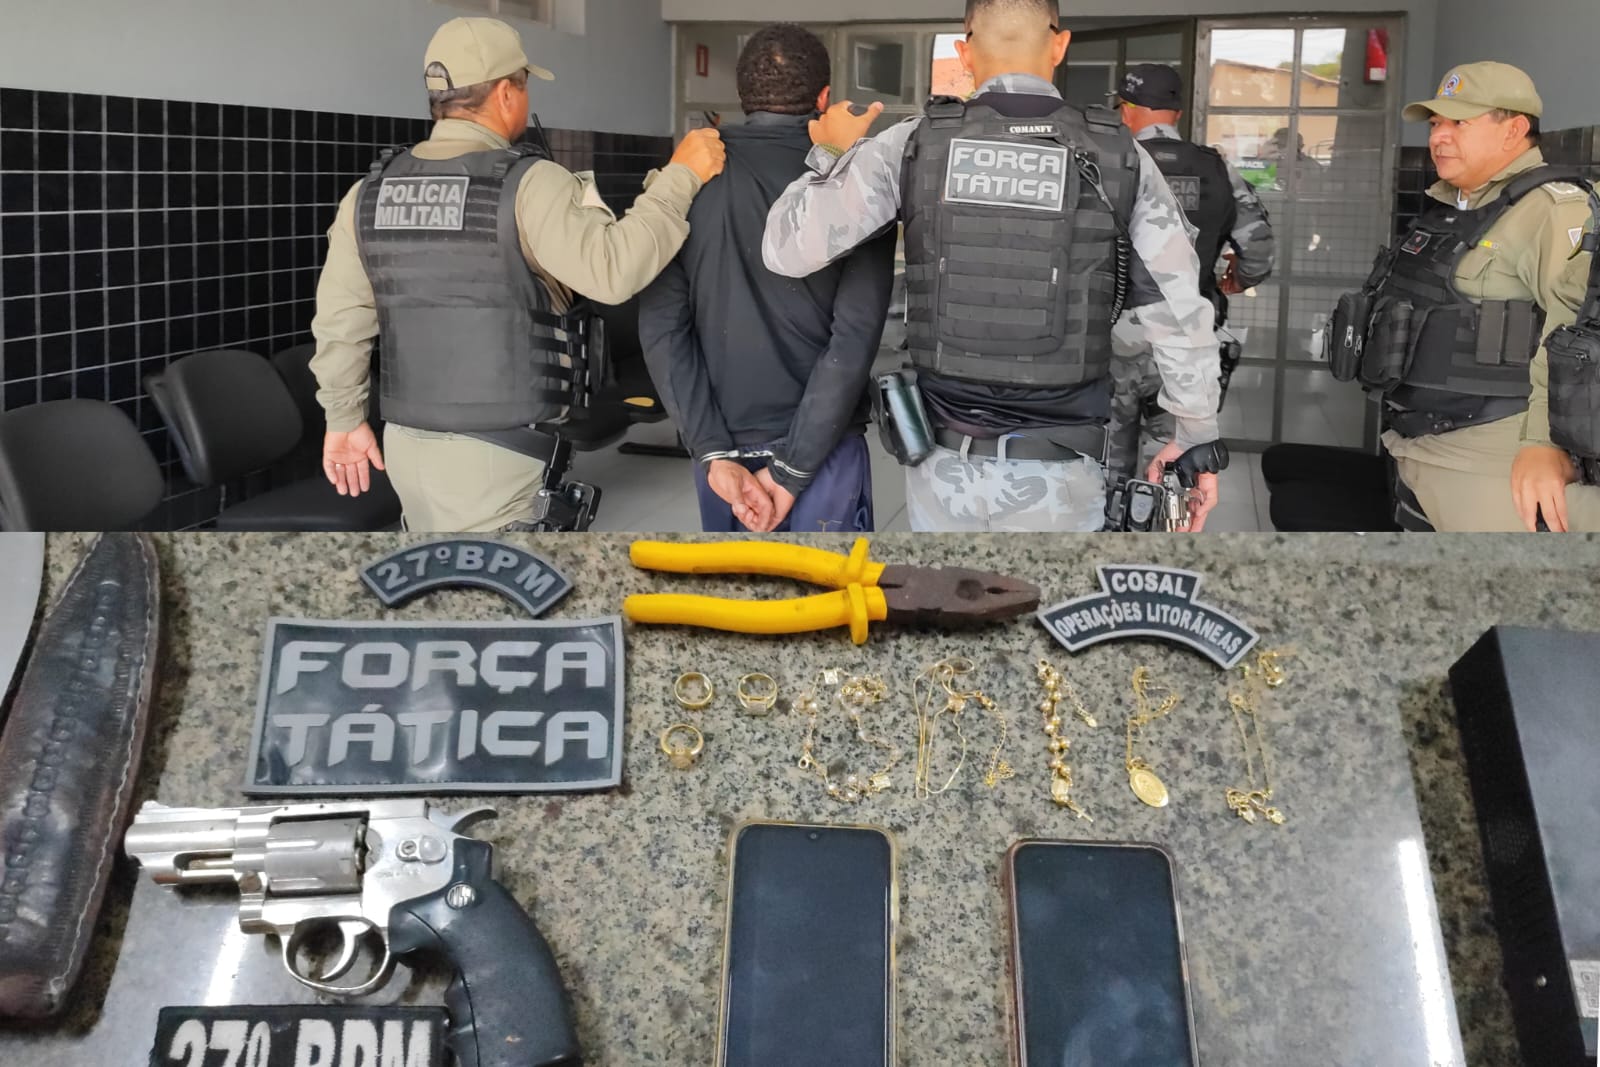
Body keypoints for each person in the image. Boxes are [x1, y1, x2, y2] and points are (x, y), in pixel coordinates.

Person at [763, 0, 1225, 533]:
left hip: (941, 471)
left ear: (964, 53)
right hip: (1062, 473)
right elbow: (1179, 311)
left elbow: (785, 249)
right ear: (1060, 45)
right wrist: (1195, 434)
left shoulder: (910, 143)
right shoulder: (1121, 153)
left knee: (948, 587)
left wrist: (827, 151)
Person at [309, 17, 725, 532]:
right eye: (524, 86)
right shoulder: (529, 184)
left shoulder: (368, 194)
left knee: (434, 571)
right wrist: (681, 176)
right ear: (507, 93)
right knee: (498, 577)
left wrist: (344, 420)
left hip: (406, 447)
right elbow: (613, 272)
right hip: (497, 454)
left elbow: (340, 323)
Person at [638, 24, 895, 533]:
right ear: (823, 98)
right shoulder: (853, 181)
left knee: (738, 583)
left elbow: (663, 328)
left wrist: (711, 450)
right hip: (823, 451)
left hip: (724, 460)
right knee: (831, 583)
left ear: (743, 95)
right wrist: (792, 469)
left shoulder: (686, 176)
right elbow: (855, 337)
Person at [1331, 62, 1596, 531]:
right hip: (1422, 449)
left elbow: (1578, 333)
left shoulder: (1553, 209)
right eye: (1435, 124)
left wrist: (1544, 445)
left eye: (1459, 122)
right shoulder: (1456, 206)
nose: (1439, 137)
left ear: (1514, 129)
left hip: (1496, 458)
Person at [1106, 64, 1275, 496]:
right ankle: (1166, 523)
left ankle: (1113, 520)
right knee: (1175, 458)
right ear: (1178, 113)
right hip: (1188, 338)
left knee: (1108, 454)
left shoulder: (1109, 164)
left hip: (1113, 339)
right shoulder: (1217, 168)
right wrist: (1236, 280)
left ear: (1125, 110)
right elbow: (1258, 248)